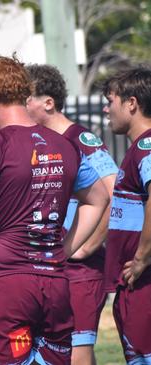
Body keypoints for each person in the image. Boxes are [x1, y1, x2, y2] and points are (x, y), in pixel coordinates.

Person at [0, 56, 109, 365]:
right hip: (55, 284)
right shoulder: (64, 144)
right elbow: (98, 198)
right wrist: (64, 248)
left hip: (3, 282)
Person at [26, 64, 118, 365]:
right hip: (52, 267)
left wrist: (88, 245)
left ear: (48, 103)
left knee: (76, 354)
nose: (21, 106)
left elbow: (115, 192)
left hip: (80, 269)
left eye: (27, 98)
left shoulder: (80, 139)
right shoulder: (35, 142)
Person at [102, 67, 151, 364]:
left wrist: (143, 257)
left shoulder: (147, 146)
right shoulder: (137, 149)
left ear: (131, 103)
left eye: (111, 100)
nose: (107, 109)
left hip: (144, 280)